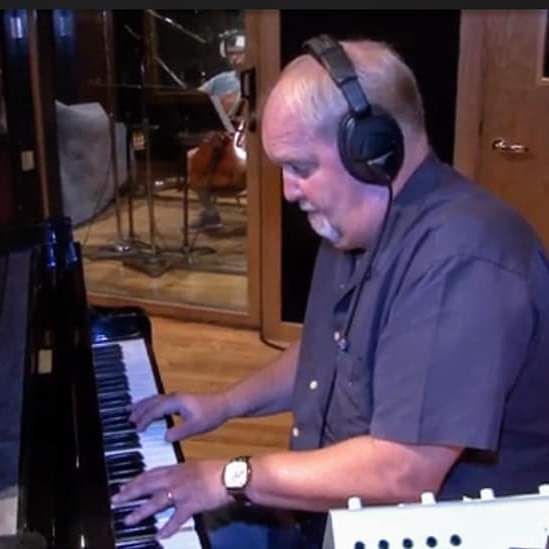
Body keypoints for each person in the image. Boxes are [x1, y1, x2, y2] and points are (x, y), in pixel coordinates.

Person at [111, 34, 549, 548]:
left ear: (373, 151)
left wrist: (229, 477)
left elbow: (403, 470)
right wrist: (223, 405)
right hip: (325, 516)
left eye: (301, 168)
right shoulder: (356, 224)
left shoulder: (463, 261)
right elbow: (327, 353)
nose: (287, 191)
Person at [188, 30, 247, 231]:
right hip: (222, 137)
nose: (235, 58)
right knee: (191, 158)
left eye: (240, 52)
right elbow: (197, 98)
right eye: (231, 53)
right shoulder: (221, 80)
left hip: (247, 139)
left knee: (245, 167)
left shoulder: (260, 78)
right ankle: (210, 213)